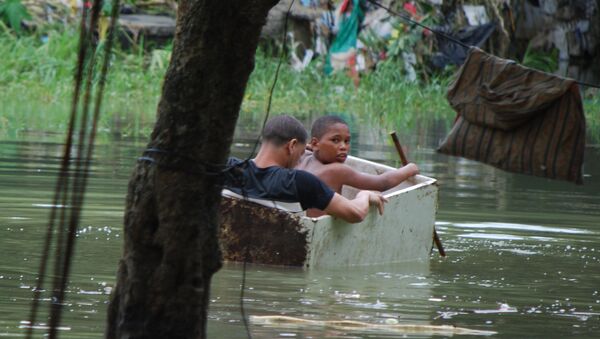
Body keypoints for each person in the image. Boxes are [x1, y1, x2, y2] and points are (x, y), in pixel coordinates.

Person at [223, 115, 386, 223]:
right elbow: (355, 213)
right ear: (292, 145)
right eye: (301, 153)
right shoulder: (300, 182)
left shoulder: (228, 168)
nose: (299, 161)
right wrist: (364, 195)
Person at [297, 114, 419, 195]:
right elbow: (382, 183)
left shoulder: (303, 158)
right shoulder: (337, 170)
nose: (343, 147)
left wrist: (311, 147)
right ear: (315, 143)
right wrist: (409, 169)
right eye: (335, 140)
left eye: (347, 141)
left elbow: (302, 148)